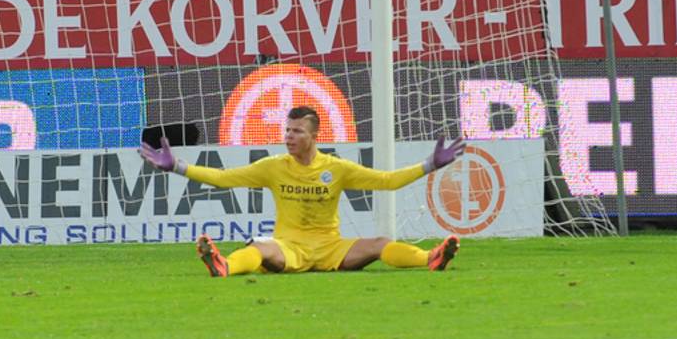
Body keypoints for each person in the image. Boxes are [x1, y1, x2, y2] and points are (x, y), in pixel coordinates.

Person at [137, 105, 465, 278]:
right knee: (261, 247)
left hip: (332, 249)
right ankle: (224, 266)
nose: (289, 137)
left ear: (313, 135)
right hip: (290, 247)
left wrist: (430, 165)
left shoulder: (336, 169)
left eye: (296, 131)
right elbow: (225, 178)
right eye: (287, 130)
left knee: (379, 244)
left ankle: (430, 258)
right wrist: (178, 166)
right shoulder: (273, 166)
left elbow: (387, 181)